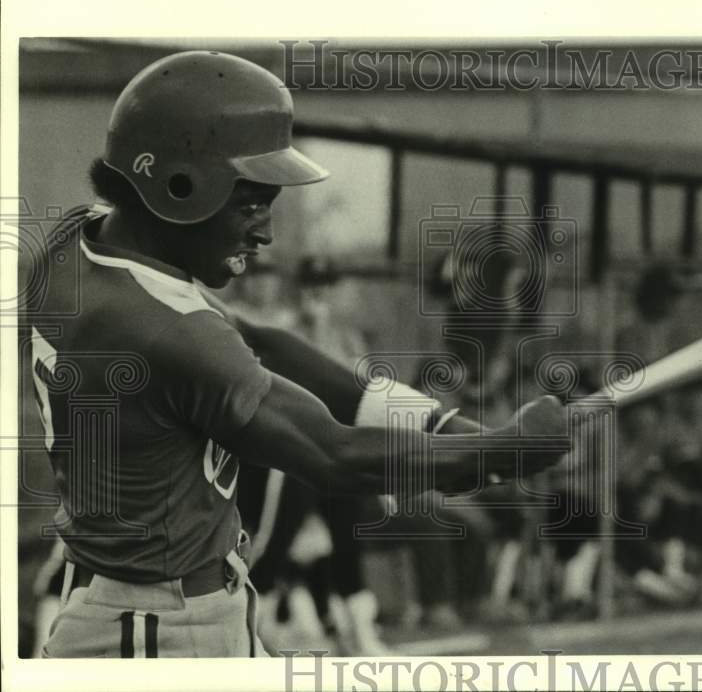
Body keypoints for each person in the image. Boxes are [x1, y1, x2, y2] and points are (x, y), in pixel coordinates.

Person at [21, 50, 567, 658]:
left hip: (143, 606)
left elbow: (270, 343)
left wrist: (438, 423)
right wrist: (494, 453)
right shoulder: (170, 332)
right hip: (162, 634)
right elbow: (334, 456)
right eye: (250, 201)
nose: (265, 232)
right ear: (181, 186)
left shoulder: (80, 245)